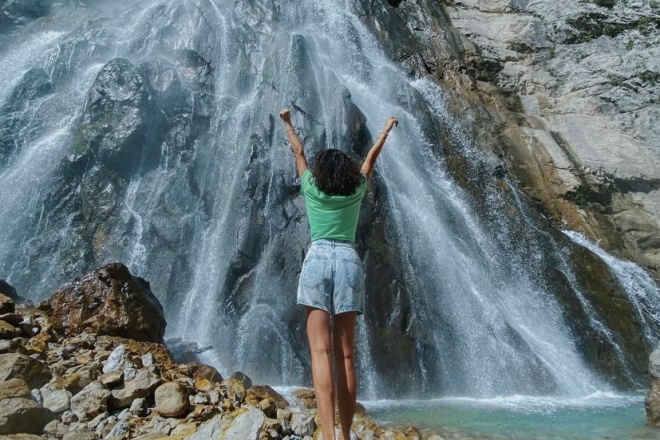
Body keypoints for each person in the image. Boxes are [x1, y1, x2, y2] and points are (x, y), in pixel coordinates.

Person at [279, 108, 398, 440]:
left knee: (321, 351)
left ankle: (328, 436)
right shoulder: (356, 189)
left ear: (320, 173)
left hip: (317, 261)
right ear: (345, 172)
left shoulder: (311, 189)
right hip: (348, 261)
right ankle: (345, 435)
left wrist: (288, 123)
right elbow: (369, 162)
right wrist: (385, 130)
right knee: (347, 353)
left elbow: (298, 151)